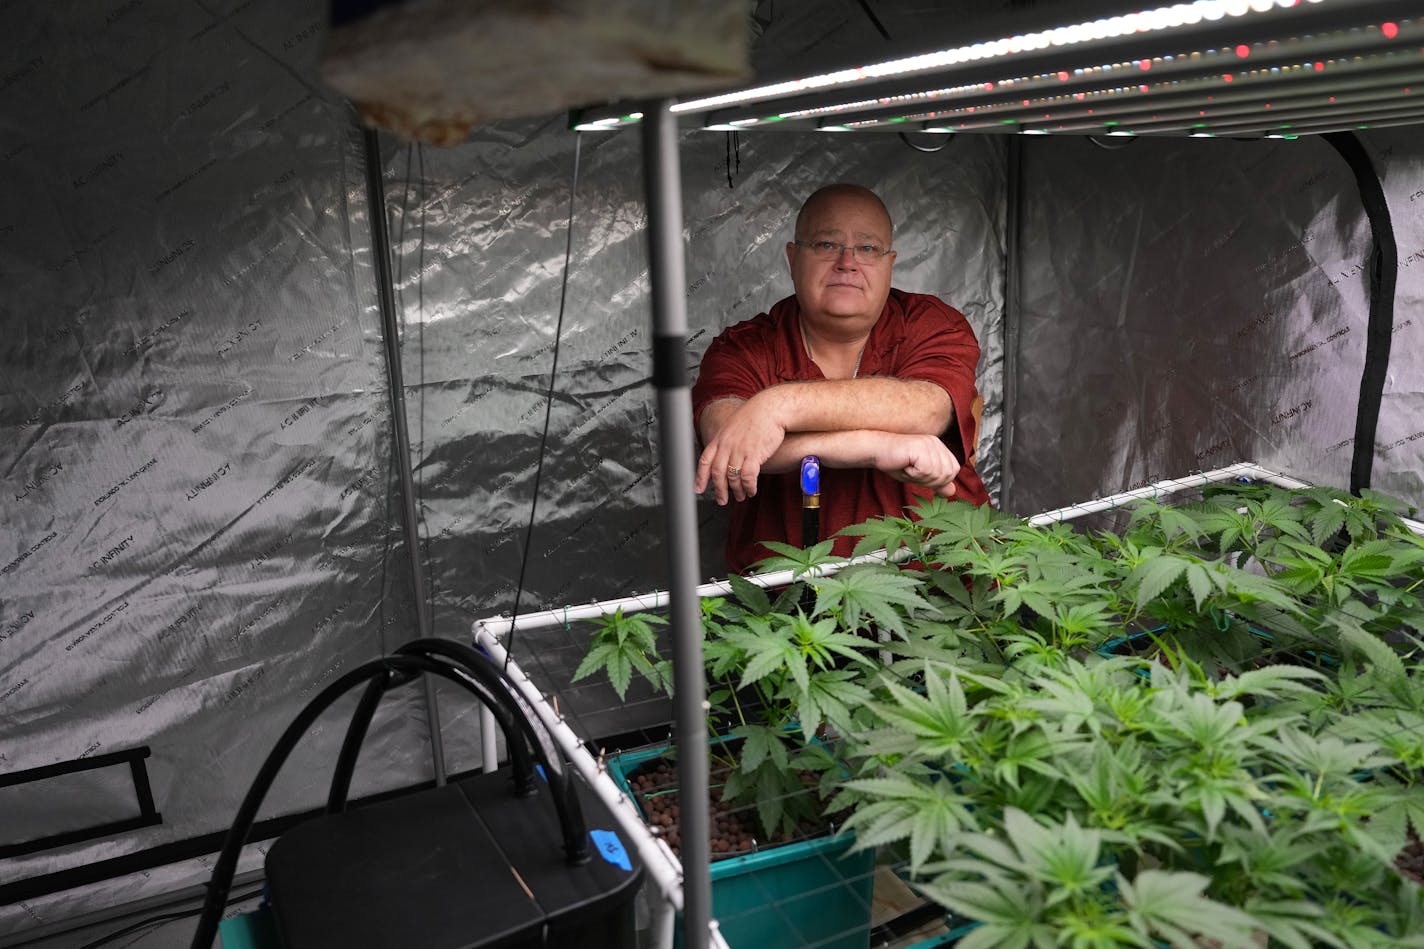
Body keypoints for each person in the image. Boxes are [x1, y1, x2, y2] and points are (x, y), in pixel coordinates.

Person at [691, 183, 991, 573]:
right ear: (792, 257)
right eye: (826, 244)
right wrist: (873, 446)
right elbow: (727, 442)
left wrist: (778, 406)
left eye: (867, 248)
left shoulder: (930, 323)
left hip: (941, 583)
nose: (847, 262)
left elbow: (925, 409)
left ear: (890, 262)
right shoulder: (744, 347)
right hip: (791, 602)